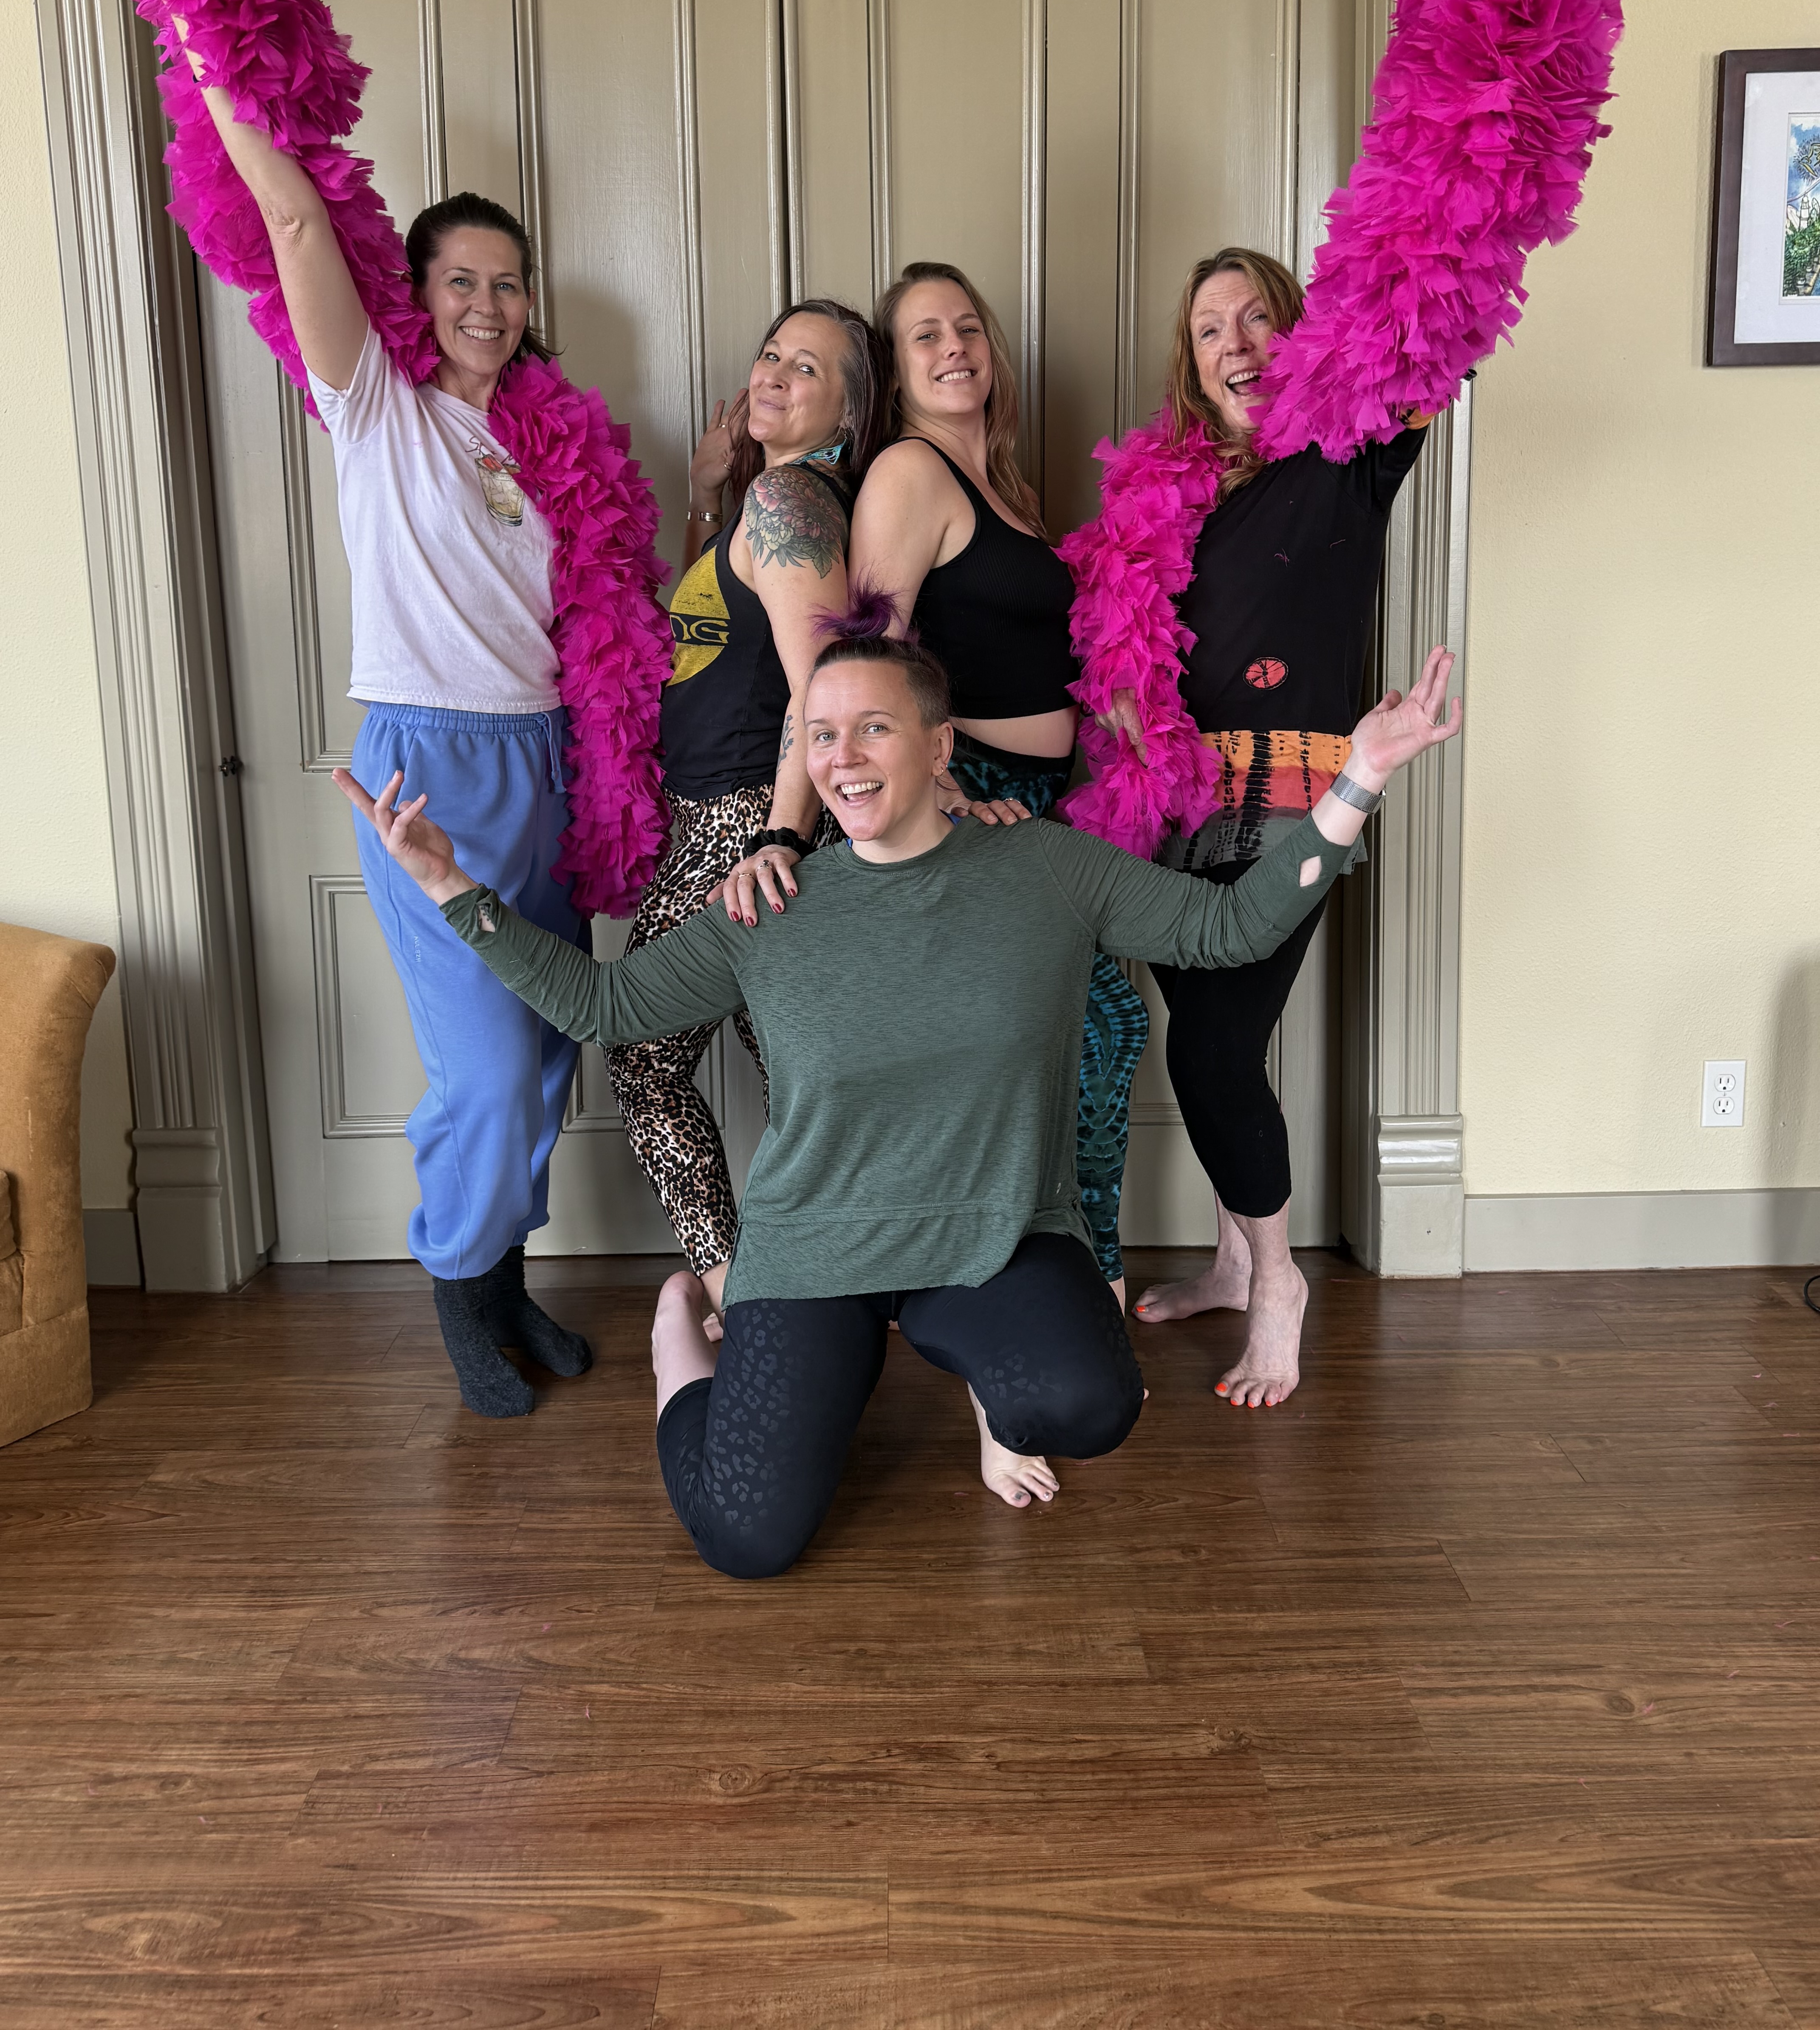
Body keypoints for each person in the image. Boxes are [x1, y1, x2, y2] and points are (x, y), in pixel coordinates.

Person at [339, 612, 1462, 1577]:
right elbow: (599, 1008)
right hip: (815, 1251)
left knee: (1087, 1407)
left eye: (871, 727)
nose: (843, 758)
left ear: (936, 745)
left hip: (987, 1239)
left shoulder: (1045, 871)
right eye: (820, 736)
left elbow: (1228, 930)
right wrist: (449, 884)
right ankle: (686, 1346)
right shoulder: (767, 904)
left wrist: (1358, 777)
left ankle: (969, 1377)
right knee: (745, 1538)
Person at [100, 0, 672, 1421]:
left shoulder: (550, 445)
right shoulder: (375, 404)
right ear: (413, 297)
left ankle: (504, 1281)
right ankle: (455, 1287)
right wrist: (187, 15)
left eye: (508, 282)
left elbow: (604, 618)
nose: (487, 303)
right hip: (432, 757)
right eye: (459, 280)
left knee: (544, 1046)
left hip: (548, 757)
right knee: (486, 1068)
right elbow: (291, 212)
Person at [1080, 247, 1434, 1408]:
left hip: (1292, 795)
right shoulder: (1170, 488)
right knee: (1209, 1031)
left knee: (1213, 1051)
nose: (1234, 344)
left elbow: (1422, 331)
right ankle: (1236, 1259)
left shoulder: (1349, 453)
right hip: (1175, 802)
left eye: (1257, 320)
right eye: (1208, 330)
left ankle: (1278, 1282)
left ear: (1304, 332)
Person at [846, 262, 1151, 1302]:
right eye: (924, 336)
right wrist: (938, 792)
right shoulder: (910, 473)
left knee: (1057, 1046)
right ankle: (1083, 1285)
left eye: (966, 328)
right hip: (976, 795)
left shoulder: (1006, 490)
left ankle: (1044, 1282)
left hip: (1047, 799)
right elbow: (872, 658)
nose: (953, 348)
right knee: (1107, 1026)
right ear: (897, 371)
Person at [606, 300, 882, 1296]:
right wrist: (705, 498)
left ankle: (739, 1288)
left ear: (849, 409)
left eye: (805, 369)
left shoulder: (792, 508)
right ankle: (843, 1279)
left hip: (741, 820)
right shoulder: (763, 506)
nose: (773, 374)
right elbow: (714, 636)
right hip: (724, 815)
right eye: (770, 352)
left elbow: (822, 691)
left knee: (643, 1055)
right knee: (801, 1076)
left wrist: (779, 834)